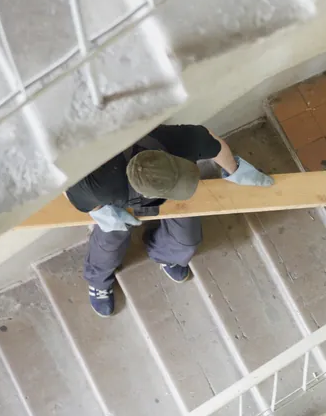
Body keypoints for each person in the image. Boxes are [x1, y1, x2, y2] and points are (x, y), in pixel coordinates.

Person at [65, 124, 274, 317]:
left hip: (163, 196)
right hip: (119, 202)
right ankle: (99, 281)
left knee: (187, 240)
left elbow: (213, 143)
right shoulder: (100, 184)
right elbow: (71, 192)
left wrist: (236, 170)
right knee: (108, 244)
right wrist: (103, 214)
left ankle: (166, 255)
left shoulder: (175, 141)